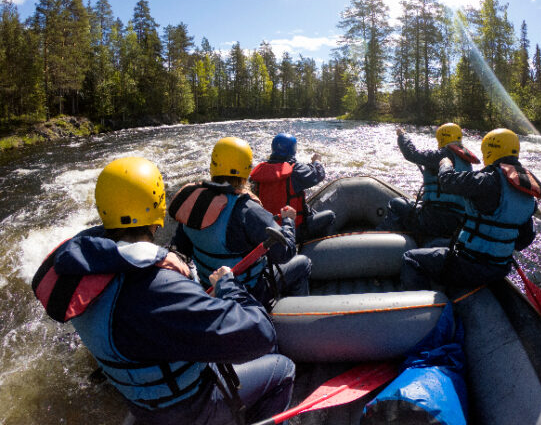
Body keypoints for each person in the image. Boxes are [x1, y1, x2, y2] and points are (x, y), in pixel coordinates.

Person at [31, 157, 295, 425]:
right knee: (284, 369)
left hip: (142, 402)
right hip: (193, 408)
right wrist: (228, 286)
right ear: (157, 203)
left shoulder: (78, 271)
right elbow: (260, 335)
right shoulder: (161, 288)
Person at [169, 136, 311, 309]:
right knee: (303, 263)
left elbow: (181, 247)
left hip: (209, 287)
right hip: (248, 294)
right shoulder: (247, 210)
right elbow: (285, 253)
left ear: (213, 165)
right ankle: (294, 317)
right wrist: (288, 220)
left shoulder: (192, 203)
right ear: (247, 169)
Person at [401, 128, 541, 290]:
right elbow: (525, 239)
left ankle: (421, 304)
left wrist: (445, 164)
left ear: (490, 151)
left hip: (468, 266)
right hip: (500, 268)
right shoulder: (527, 190)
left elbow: (448, 181)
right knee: (436, 244)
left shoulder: (487, 180)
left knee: (410, 258)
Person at [379, 123, 479, 240]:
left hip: (437, 218)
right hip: (457, 220)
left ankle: (383, 240)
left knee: (396, 204)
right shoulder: (465, 161)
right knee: (415, 205)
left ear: (441, 138)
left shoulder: (442, 155)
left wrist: (403, 136)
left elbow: (412, 154)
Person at [249, 133, 335, 241]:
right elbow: (318, 174)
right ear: (293, 150)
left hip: (267, 231)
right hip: (293, 231)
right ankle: (316, 251)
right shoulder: (295, 170)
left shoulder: (258, 174)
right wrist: (316, 161)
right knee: (330, 216)